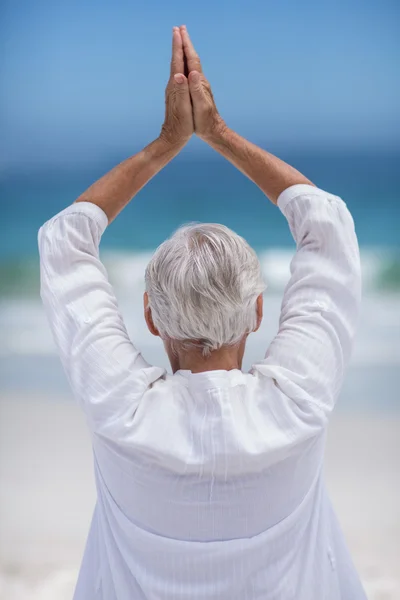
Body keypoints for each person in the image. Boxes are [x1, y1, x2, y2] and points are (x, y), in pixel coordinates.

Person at [38, 24, 366, 600]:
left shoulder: (121, 414)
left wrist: (164, 144)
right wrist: (217, 133)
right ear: (259, 311)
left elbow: (64, 242)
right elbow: (329, 226)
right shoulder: (299, 405)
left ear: (150, 316)